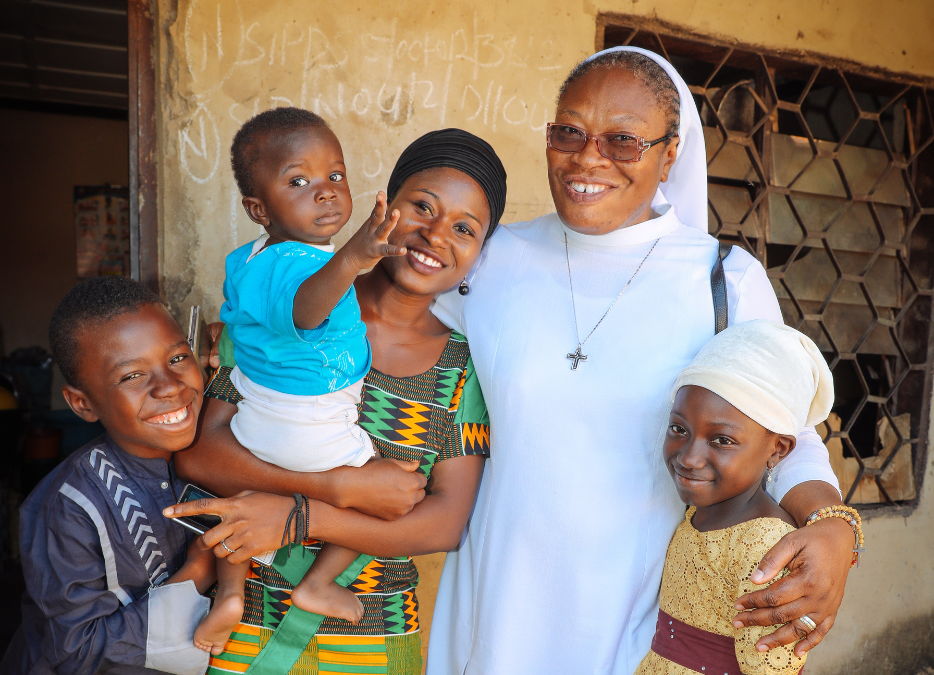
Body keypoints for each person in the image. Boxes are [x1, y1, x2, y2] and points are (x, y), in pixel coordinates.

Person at [421, 47, 857, 674]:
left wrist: (834, 530)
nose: (588, 157)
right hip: (495, 609)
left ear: (669, 153)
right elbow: (392, 354)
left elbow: (788, 435)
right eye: (568, 131)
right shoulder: (490, 261)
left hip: (639, 622)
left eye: (623, 141)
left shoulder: (722, 280)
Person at [165, 128, 507, 675]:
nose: (435, 234)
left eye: (464, 229)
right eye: (421, 206)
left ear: (478, 253)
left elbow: (442, 525)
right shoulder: (283, 310)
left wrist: (301, 517)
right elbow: (200, 455)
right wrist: (337, 488)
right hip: (243, 628)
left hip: (373, 637)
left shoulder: (469, 370)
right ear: (385, 206)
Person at [196, 106, 411, 652]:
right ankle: (318, 582)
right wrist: (354, 258)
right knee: (382, 491)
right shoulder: (302, 264)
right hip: (311, 426)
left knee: (243, 495)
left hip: (256, 418)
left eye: (335, 175)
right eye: (299, 180)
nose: (325, 191)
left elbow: (242, 317)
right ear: (257, 207)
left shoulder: (248, 259)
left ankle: (229, 594)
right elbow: (305, 311)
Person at [0, 276, 215, 675]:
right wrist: (197, 573)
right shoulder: (68, 508)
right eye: (132, 376)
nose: (169, 386)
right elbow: (78, 651)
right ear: (82, 404)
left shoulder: (220, 447)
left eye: (178, 358)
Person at [635, 320, 845, 675]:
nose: (688, 457)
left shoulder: (767, 548)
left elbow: (769, 665)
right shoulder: (696, 516)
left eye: (722, 440)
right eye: (678, 429)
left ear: (777, 449)